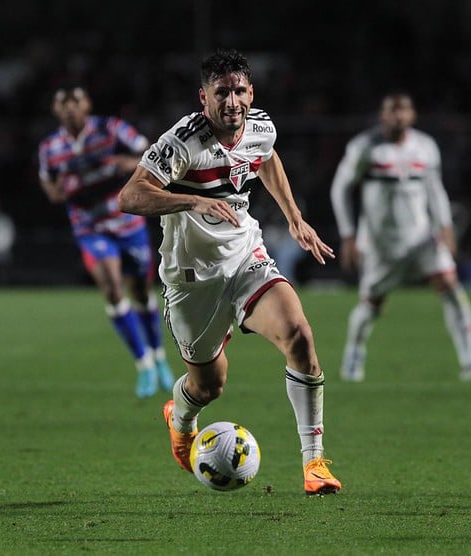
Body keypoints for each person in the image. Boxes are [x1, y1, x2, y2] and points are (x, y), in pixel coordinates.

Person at [118, 48, 342, 495]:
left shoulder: (260, 126)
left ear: (251, 91)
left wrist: (295, 217)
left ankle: (314, 463)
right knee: (209, 385)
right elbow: (130, 197)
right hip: (191, 279)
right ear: (204, 98)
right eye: (221, 93)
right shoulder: (182, 142)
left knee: (299, 335)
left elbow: (268, 157)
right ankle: (179, 418)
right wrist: (193, 200)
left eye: (239, 90)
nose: (232, 101)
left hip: (245, 258)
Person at [330, 92, 471, 383]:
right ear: (382, 115)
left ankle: (470, 363)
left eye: (404, 110)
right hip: (382, 244)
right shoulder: (365, 147)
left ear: (413, 115)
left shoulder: (425, 147)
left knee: (451, 288)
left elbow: (435, 189)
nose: (398, 116)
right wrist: (348, 234)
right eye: (392, 110)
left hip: (423, 238)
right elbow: (340, 189)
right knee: (372, 304)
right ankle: (353, 360)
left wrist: (445, 225)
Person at [38, 85, 174, 398]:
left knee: (140, 290)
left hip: (128, 222)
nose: (70, 107)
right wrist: (64, 189)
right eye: (63, 102)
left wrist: (123, 165)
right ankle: (143, 365)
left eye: (76, 101)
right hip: (90, 227)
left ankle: (158, 356)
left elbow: (148, 151)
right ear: (56, 110)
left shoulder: (110, 129)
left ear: (87, 104)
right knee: (113, 287)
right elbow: (51, 189)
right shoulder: (51, 146)